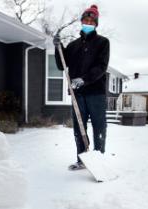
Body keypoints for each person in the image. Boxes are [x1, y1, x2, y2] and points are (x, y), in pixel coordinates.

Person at [53, 4, 110, 170]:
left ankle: (98, 158)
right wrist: (58, 47)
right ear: (82, 21)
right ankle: (82, 158)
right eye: (86, 19)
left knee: (99, 125)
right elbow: (61, 65)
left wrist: (84, 79)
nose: (88, 22)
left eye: (92, 20)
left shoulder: (102, 43)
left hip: (96, 93)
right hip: (77, 94)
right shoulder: (73, 45)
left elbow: (101, 67)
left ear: (96, 24)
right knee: (79, 127)